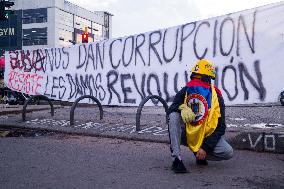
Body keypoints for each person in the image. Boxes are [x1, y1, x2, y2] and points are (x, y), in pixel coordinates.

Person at [168, 59, 233, 173]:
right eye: (194, 78)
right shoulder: (186, 90)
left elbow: (221, 126)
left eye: (200, 78)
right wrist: (181, 107)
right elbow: (171, 108)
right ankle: (176, 159)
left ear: (208, 80)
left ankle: (200, 153)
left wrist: (205, 148)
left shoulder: (216, 96)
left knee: (227, 152)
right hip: (188, 134)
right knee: (173, 116)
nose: (196, 82)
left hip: (207, 135)